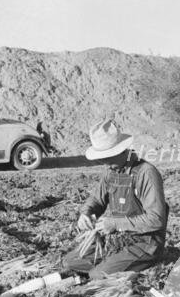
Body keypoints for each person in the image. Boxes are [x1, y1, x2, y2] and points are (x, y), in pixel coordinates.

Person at [63, 119, 168, 279]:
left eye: (108, 157)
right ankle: (116, 262)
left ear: (122, 150)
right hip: (118, 239)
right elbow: (96, 200)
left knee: (97, 275)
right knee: (70, 262)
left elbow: (156, 219)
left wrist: (114, 224)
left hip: (145, 242)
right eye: (102, 158)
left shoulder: (146, 173)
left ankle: (145, 264)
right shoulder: (110, 171)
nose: (105, 163)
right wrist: (86, 213)